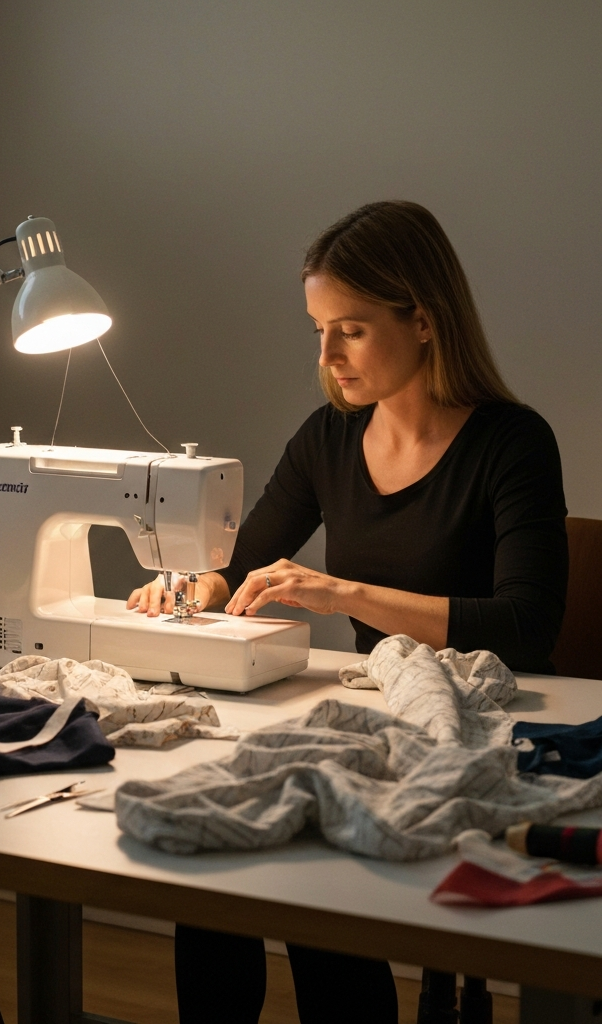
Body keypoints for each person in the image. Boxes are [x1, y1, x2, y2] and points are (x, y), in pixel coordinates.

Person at [127, 200, 569, 1024]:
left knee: (314, 871)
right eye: (318, 329)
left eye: (352, 330)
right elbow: (242, 561)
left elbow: (524, 628)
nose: (328, 355)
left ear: (425, 321)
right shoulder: (329, 439)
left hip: (476, 725)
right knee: (217, 850)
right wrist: (188, 586)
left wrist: (343, 593)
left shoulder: (513, 444)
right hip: (375, 716)